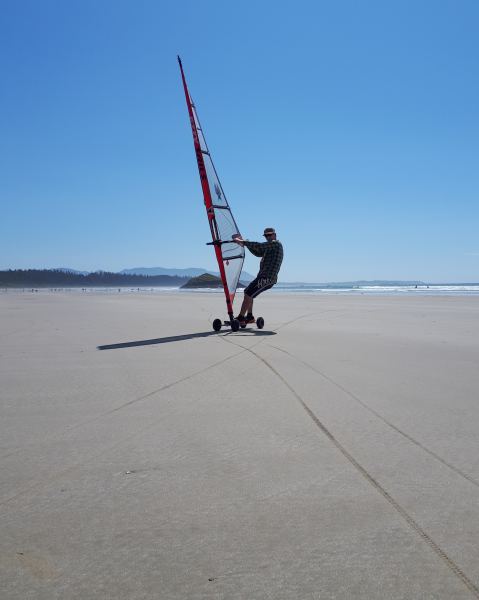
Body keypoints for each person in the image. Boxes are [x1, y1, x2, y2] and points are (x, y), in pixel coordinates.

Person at [232, 227, 283, 324]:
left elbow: (259, 246)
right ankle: (250, 317)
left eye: (269, 235)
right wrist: (245, 244)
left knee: (249, 294)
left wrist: (242, 242)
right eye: (266, 236)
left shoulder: (276, 244)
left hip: (267, 278)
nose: (268, 237)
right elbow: (257, 252)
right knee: (247, 291)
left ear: (274, 235)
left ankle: (241, 318)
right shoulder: (269, 248)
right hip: (262, 277)